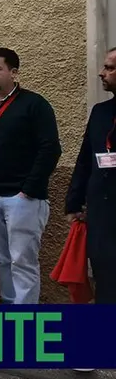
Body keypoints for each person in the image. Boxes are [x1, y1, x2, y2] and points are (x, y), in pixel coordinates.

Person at [0, 48, 61, 304]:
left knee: (23, 261)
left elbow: (50, 148)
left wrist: (28, 189)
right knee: (2, 258)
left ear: (14, 73)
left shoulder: (34, 104)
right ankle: (10, 311)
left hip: (22, 198)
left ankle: (25, 320)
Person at [67, 47, 116, 303]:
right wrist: (75, 201)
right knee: (105, 278)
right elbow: (86, 158)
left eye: (110, 68)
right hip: (101, 213)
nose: (101, 72)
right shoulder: (100, 112)